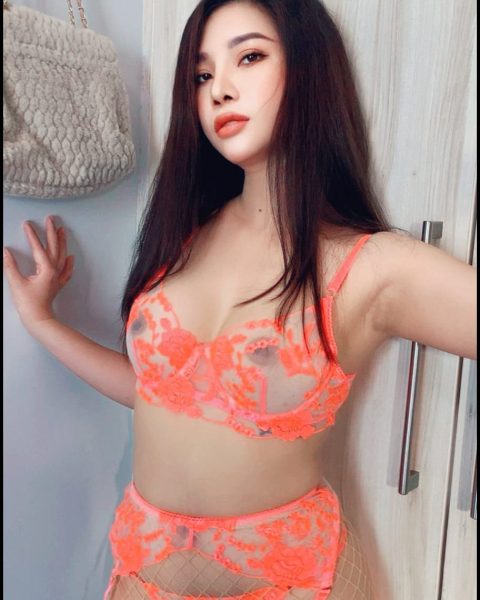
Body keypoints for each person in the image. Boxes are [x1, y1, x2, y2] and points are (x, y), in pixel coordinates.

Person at [3, 0, 476, 598]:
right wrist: (43, 323)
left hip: (297, 579)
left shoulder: (369, 267)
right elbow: (159, 395)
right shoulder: (183, 235)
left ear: (309, 69)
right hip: (144, 564)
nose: (219, 90)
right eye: (202, 75)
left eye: (249, 57)